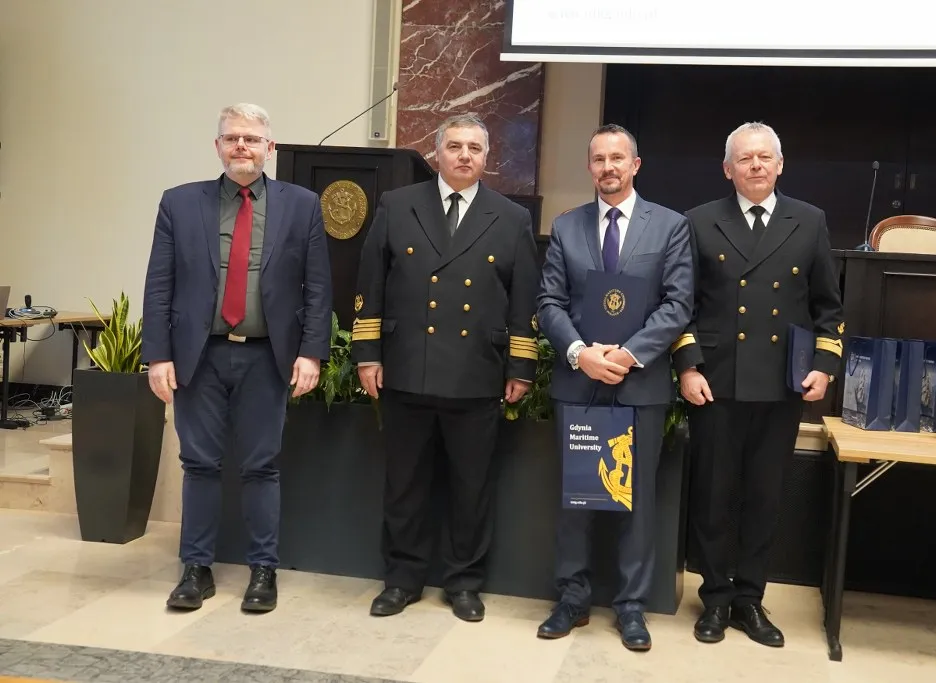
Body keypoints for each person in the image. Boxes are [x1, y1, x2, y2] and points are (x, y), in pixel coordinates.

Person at [141, 103, 332, 613]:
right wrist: (157, 356)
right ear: (218, 146)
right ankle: (195, 570)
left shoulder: (302, 205)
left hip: (267, 358)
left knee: (261, 466)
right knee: (198, 464)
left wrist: (312, 353)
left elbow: (317, 287)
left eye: (251, 138)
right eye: (231, 138)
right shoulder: (180, 203)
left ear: (270, 147)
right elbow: (159, 284)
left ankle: (263, 571)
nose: (241, 146)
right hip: (197, 358)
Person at [351, 113, 539, 622]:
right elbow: (370, 281)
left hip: (477, 373)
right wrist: (367, 353)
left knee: (471, 487)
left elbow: (524, 297)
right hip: (407, 367)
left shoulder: (511, 217)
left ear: (487, 157)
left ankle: (464, 582)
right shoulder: (397, 205)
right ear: (437, 152)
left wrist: (521, 364)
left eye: (474, 148)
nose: (464, 156)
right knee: (404, 485)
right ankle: (402, 579)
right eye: (454, 146)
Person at [676, 121, 844, 647]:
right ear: (728, 169)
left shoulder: (809, 221)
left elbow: (828, 307)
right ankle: (714, 598)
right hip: (716, 382)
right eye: (745, 159)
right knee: (712, 497)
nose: (755, 166)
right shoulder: (699, 221)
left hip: (779, 384)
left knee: (764, 497)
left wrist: (824, 364)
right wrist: (688, 366)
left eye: (764, 157)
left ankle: (749, 599)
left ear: (780, 165)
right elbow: (681, 304)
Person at [534, 123, 694, 651]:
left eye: (618, 158)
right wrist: (581, 354)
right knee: (575, 498)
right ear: (589, 167)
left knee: (636, 501)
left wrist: (627, 355)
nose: (608, 167)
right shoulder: (566, 227)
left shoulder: (669, 226)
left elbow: (678, 303)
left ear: (635, 165)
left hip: (639, 384)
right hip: (578, 382)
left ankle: (631, 606)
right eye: (599, 159)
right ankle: (572, 598)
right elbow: (549, 303)